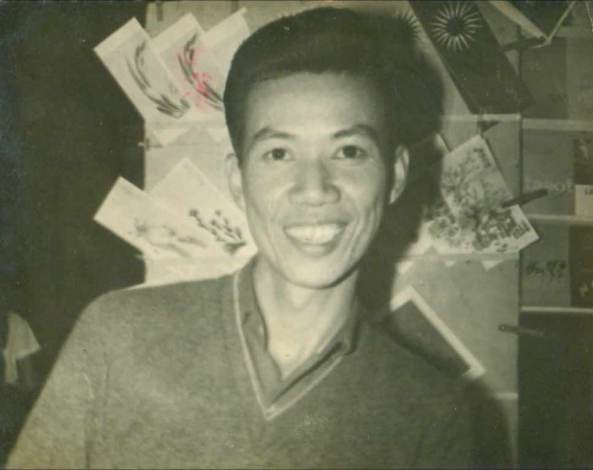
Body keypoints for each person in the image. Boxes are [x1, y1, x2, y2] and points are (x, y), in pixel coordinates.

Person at [8, 7, 488, 468]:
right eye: (279, 153)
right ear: (238, 181)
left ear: (395, 175)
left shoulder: (430, 413)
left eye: (348, 151)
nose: (315, 189)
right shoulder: (117, 336)